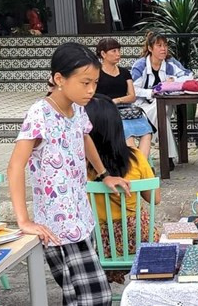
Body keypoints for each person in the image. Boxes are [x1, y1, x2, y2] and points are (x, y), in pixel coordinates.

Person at [7, 43, 132, 306]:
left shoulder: (77, 109)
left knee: (78, 297)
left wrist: (104, 175)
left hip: (81, 217)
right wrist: (24, 220)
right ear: (59, 79)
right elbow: (15, 166)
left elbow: (84, 137)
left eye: (95, 83)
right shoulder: (40, 113)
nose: (91, 90)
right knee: (95, 296)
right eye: (85, 82)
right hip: (58, 226)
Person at [85, 94, 161, 284]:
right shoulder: (135, 158)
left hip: (101, 246)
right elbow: (155, 199)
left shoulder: (82, 165)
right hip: (139, 240)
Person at [131, 31, 192, 169]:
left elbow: (189, 76)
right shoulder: (140, 65)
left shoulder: (170, 63)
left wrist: (174, 80)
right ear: (150, 48)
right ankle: (168, 157)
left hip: (164, 105)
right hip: (143, 106)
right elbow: (133, 90)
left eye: (165, 45)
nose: (163, 49)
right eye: (159, 45)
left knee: (162, 109)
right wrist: (151, 92)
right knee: (162, 118)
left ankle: (147, 148)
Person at [95, 38, 153, 158]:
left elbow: (132, 96)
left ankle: (141, 166)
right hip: (106, 112)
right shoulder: (96, 73)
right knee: (127, 133)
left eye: (119, 50)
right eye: (114, 51)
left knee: (147, 132)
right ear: (103, 54)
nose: (118, 54)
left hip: (127, 110)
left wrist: (118, 100)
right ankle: (137, 168)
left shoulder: (124, 72)